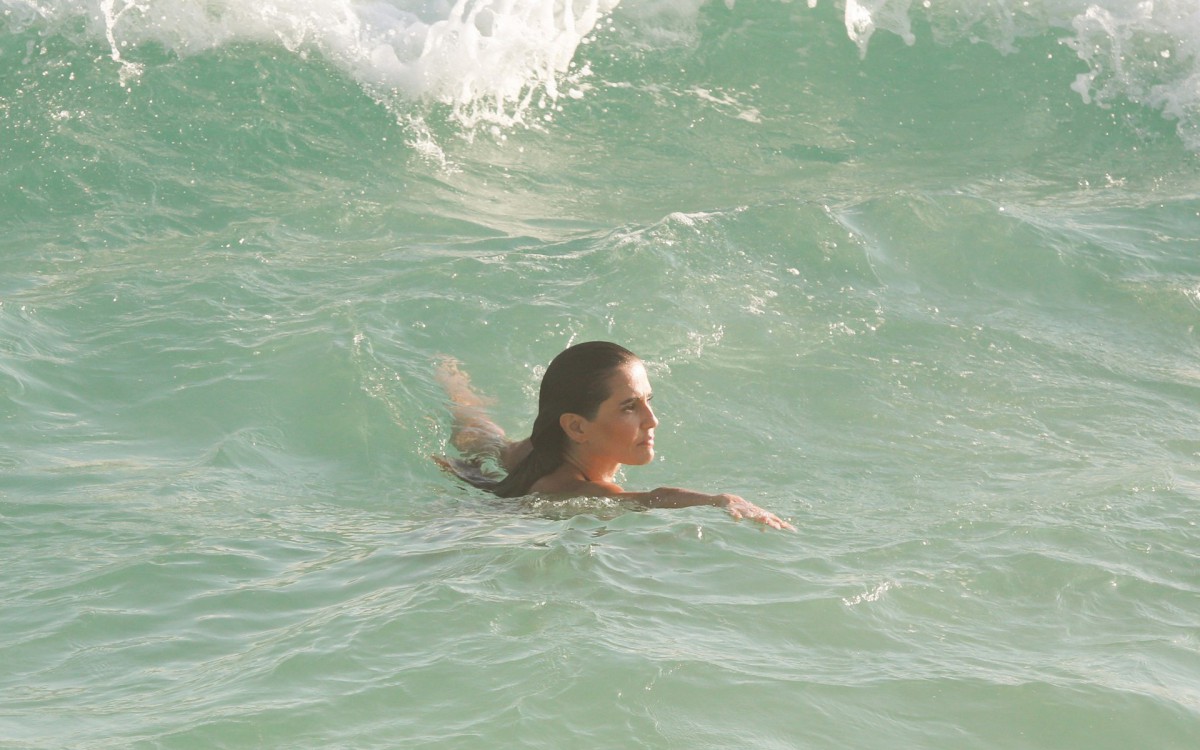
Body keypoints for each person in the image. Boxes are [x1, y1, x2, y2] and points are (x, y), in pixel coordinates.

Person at [435, 341, 795, 531]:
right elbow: (653, 499)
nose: (651, 420)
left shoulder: (535, 449)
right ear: (576, 427)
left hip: (484, 484)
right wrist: (721, 500)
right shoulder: (582, 489)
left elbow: (473, 430)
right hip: (479, 527)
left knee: (480, 432)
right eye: (629, 408)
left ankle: (451, 380)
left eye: (647, 402)